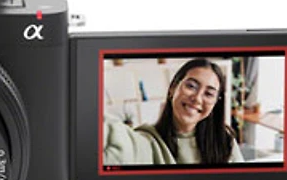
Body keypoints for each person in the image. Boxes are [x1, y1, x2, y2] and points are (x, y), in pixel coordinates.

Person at [104, 58, 244, 165]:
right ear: (173, 88)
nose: (197, 98)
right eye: (191, 86)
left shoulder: (225, 142)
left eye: (208, 94)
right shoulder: (147, 141)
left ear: (215, 103)